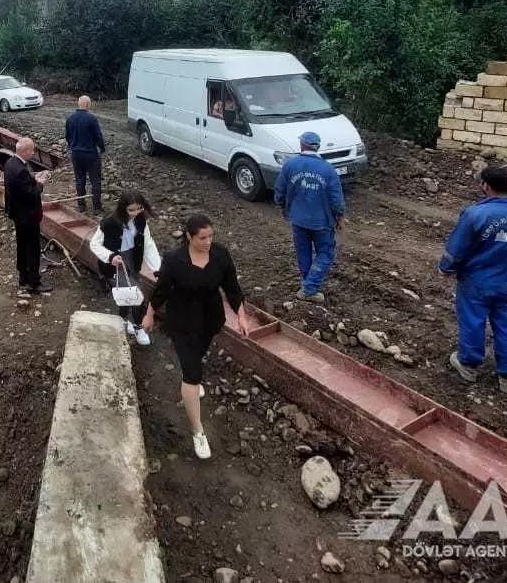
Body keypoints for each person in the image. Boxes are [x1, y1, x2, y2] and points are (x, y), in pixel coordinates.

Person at [142, 214, 250, 459]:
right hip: (182, 321)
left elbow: (232, 288)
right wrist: (149, 314)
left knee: (198, 357)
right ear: (189, 236)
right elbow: (161, 290)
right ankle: (198, 432)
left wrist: (241, 316)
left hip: (209, 319)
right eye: (202, 238)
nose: (208, 241)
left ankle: (192, 383)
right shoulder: (174, 260)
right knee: (192, 372)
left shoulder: (220, 255)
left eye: (211, 236)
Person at [440, 167, 507, 395]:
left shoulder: (475, 214)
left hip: (478, 283)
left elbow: (457, 249)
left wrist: (446, 268)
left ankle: (468, 366)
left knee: (473, 321)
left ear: (485, 186)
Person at [273, 131, 345, 305]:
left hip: (298, 219)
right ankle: (310, 288)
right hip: (322, 222)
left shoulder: (290, 165)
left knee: (303, 252)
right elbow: (336, 199)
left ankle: (307, 284)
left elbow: (279, 191)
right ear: (317, 147)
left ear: (302, 145)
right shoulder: (328, 169)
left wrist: (282, 206)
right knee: (325, 252)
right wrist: (340, 216)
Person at [89, 190, 161, 346]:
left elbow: (148, 244)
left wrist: (157, 268)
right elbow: (94, 244)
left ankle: (124, 319)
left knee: (128, 293)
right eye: (131, 210)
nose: (135, 213)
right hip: (114, 264)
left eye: (139, 208)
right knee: (137, 294)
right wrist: (109, 256)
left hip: (132, 260)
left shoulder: (141, 221)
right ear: (123, 208)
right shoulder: (109, 223)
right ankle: (137, 325)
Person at [4, 137, 52, 294]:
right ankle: (34, 283)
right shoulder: (20, 170)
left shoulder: (11, 163)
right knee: (32, 249)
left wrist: (33, 178)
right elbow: (31, 193)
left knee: (22, 246)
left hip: (18, 214)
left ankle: (23, 278)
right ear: (23, 151)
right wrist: (41, 183)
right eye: (31, 150)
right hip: (28, 216)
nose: (33, 153)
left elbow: (21, 185)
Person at [65, 95, 105, 213]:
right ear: (88, 104)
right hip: (90, 154)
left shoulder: (70, 118)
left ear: (79, 104)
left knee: (79, 180)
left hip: (76, 154)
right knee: (95, 181)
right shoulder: (91, 119)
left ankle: (81, 205)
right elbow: (98, 137)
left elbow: (67, 137)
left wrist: (72, 148)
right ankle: (97, 207)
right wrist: (102, 148)